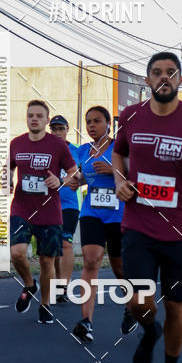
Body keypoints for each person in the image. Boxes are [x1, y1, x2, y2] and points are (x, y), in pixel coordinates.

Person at [112, 52, 182, 363]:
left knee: (176, 304)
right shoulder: (131, 116)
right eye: (157, 73)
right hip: (138, 221)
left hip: (181, 227)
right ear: (147, 80)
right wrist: (120, 181)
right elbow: (118, 153)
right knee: (138, 297)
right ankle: (148, 328)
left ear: (181, 80)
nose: (164, 78)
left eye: (171, 72)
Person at [9, 100, 78, 323]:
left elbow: (74, 173)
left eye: (39, 115)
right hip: (21, 208)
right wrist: (7, 180)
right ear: (27, 118)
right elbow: (9, 166)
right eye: (30, 115)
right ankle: (30, 285)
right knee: (17, 253)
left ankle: (45, 304)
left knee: (46, 261)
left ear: (46, 120)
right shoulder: (16, 143)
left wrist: (59, 180)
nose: (34, 119)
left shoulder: (58, 146)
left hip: (49, 212)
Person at [69, 106, 127, 343]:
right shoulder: (83, 151)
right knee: (91, 260)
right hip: (91, 211)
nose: (92, 125)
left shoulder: (119, 149)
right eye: (88, 121)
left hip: (118, 213)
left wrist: (114, 170)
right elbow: (81, 176)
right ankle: (86, 322)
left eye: (97, 121)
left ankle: (131, 304)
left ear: (107, 124)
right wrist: (75, 181)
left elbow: (134, 173)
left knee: (119, 266)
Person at [49, 115, 80, 305]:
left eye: (61, 128)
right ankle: (55, 285)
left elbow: (79, 173)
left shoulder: (75, 151)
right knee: (53, 247)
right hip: (48, 205)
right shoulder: (45, 150)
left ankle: (63, 287)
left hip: (69, 205)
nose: (58, 132)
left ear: (68, 129)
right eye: (54, 129)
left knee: (66, 244)